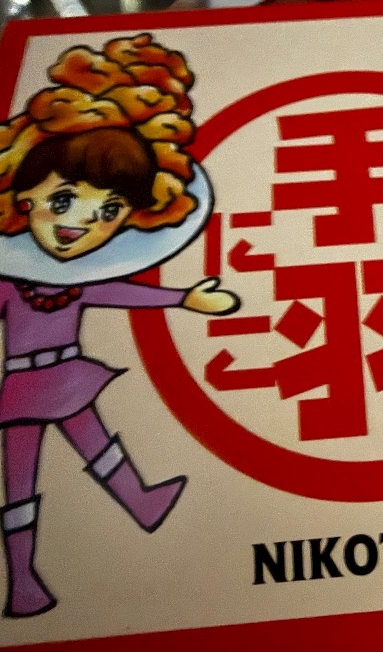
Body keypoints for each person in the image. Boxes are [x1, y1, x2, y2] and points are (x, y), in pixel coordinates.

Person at [0, 126, 238, 618]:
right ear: (25, 199)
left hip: (67, 377)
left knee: (98, 445)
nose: (84, 221)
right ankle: (22, 581)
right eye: (62, 200)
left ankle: (143, 502)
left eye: (109, 211)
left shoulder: (78, 281)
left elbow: (118, 292)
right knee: (19, 482)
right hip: (23, 387)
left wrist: (184, 298)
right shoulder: (13, 283)